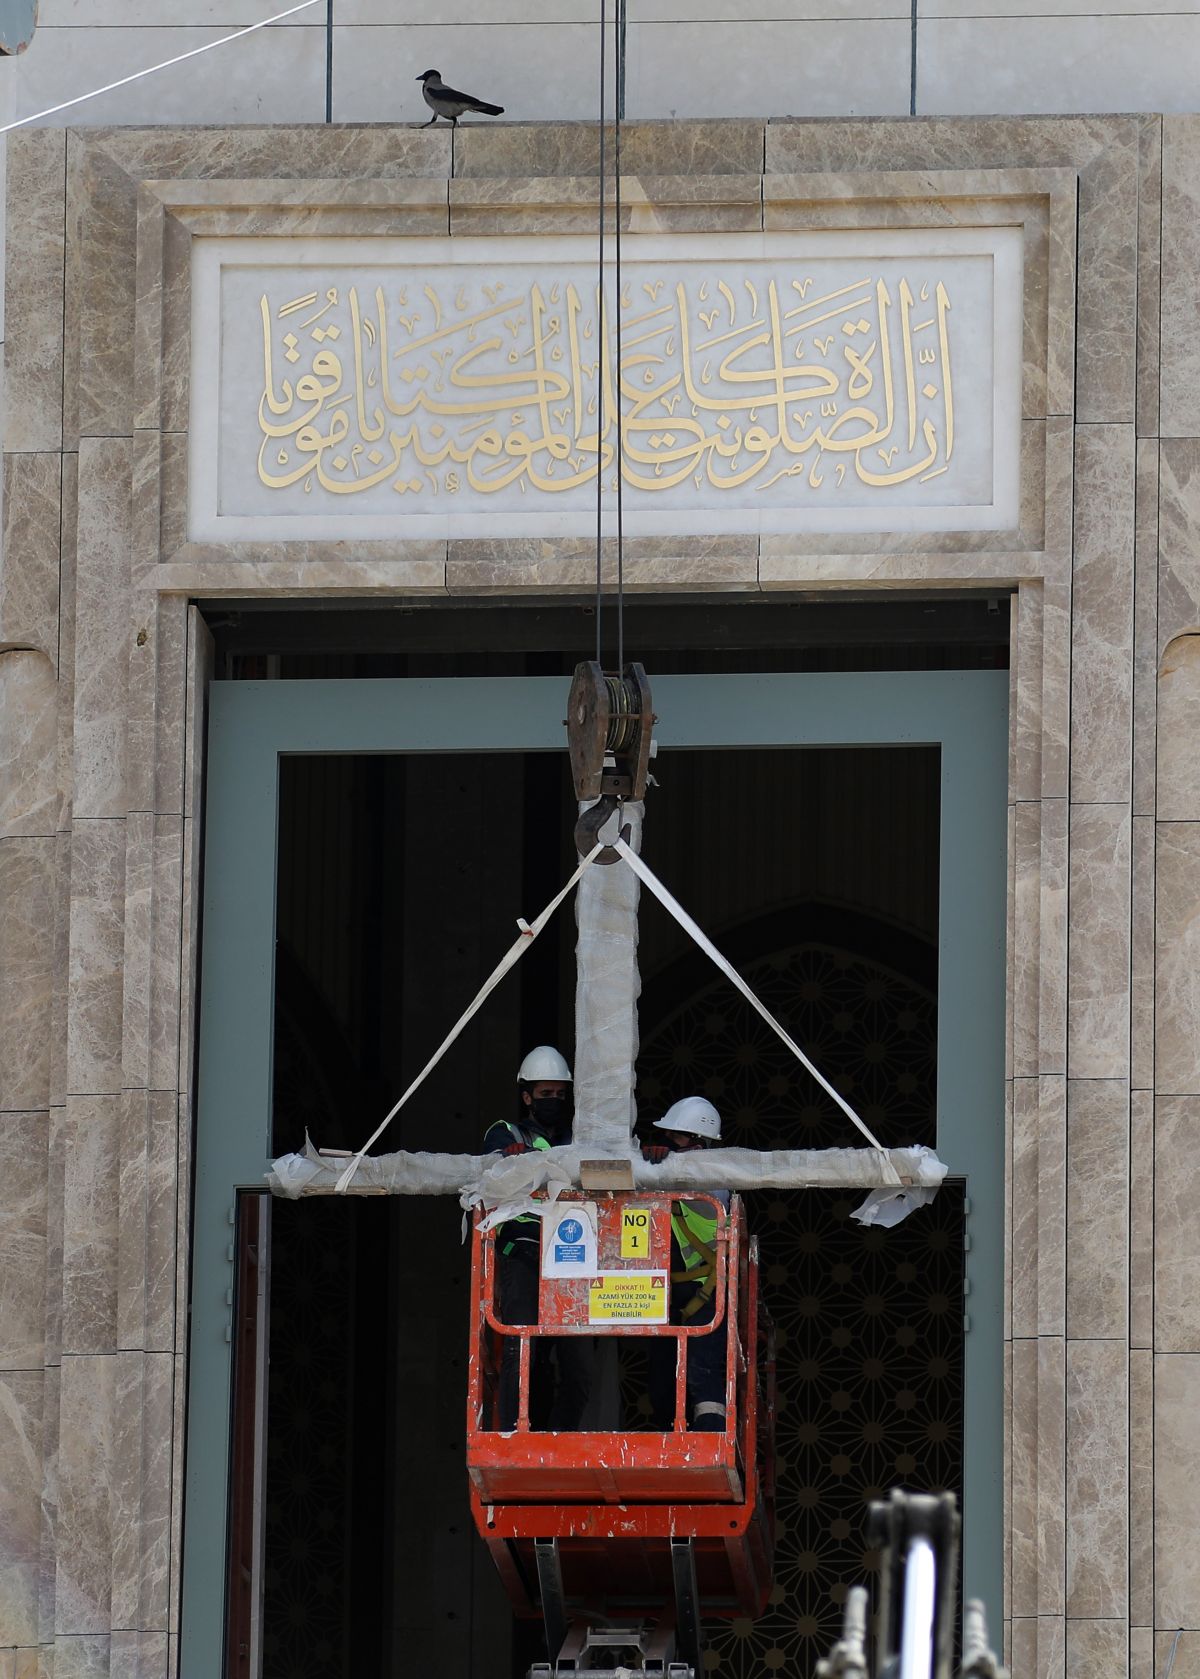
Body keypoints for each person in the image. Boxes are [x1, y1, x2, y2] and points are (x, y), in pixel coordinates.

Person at [482, 1047, 594, 1431]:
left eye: (560, 1095)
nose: (554, 1102)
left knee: (579, 1365)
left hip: (571, 1255)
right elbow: (492, 1160)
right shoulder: (506, 1132)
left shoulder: (577, 1138)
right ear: (527, 1097)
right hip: (524, 1255)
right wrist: (512, 1156)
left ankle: (559, 1437)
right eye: (546, 1095)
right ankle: (516, 1432)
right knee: (522, 1349)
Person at [641, 1096, 731, 1432]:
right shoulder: (667, 1172)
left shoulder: (716, 1179)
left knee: (703, 1373)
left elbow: (698, 1188)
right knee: (663, 1377)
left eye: (675, 1137)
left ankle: (709, 1435)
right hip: (663, 1291)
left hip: (705, 1292)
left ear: (698, 1142)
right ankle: (666, 1434)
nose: (667, 1143)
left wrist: (660, 1168)